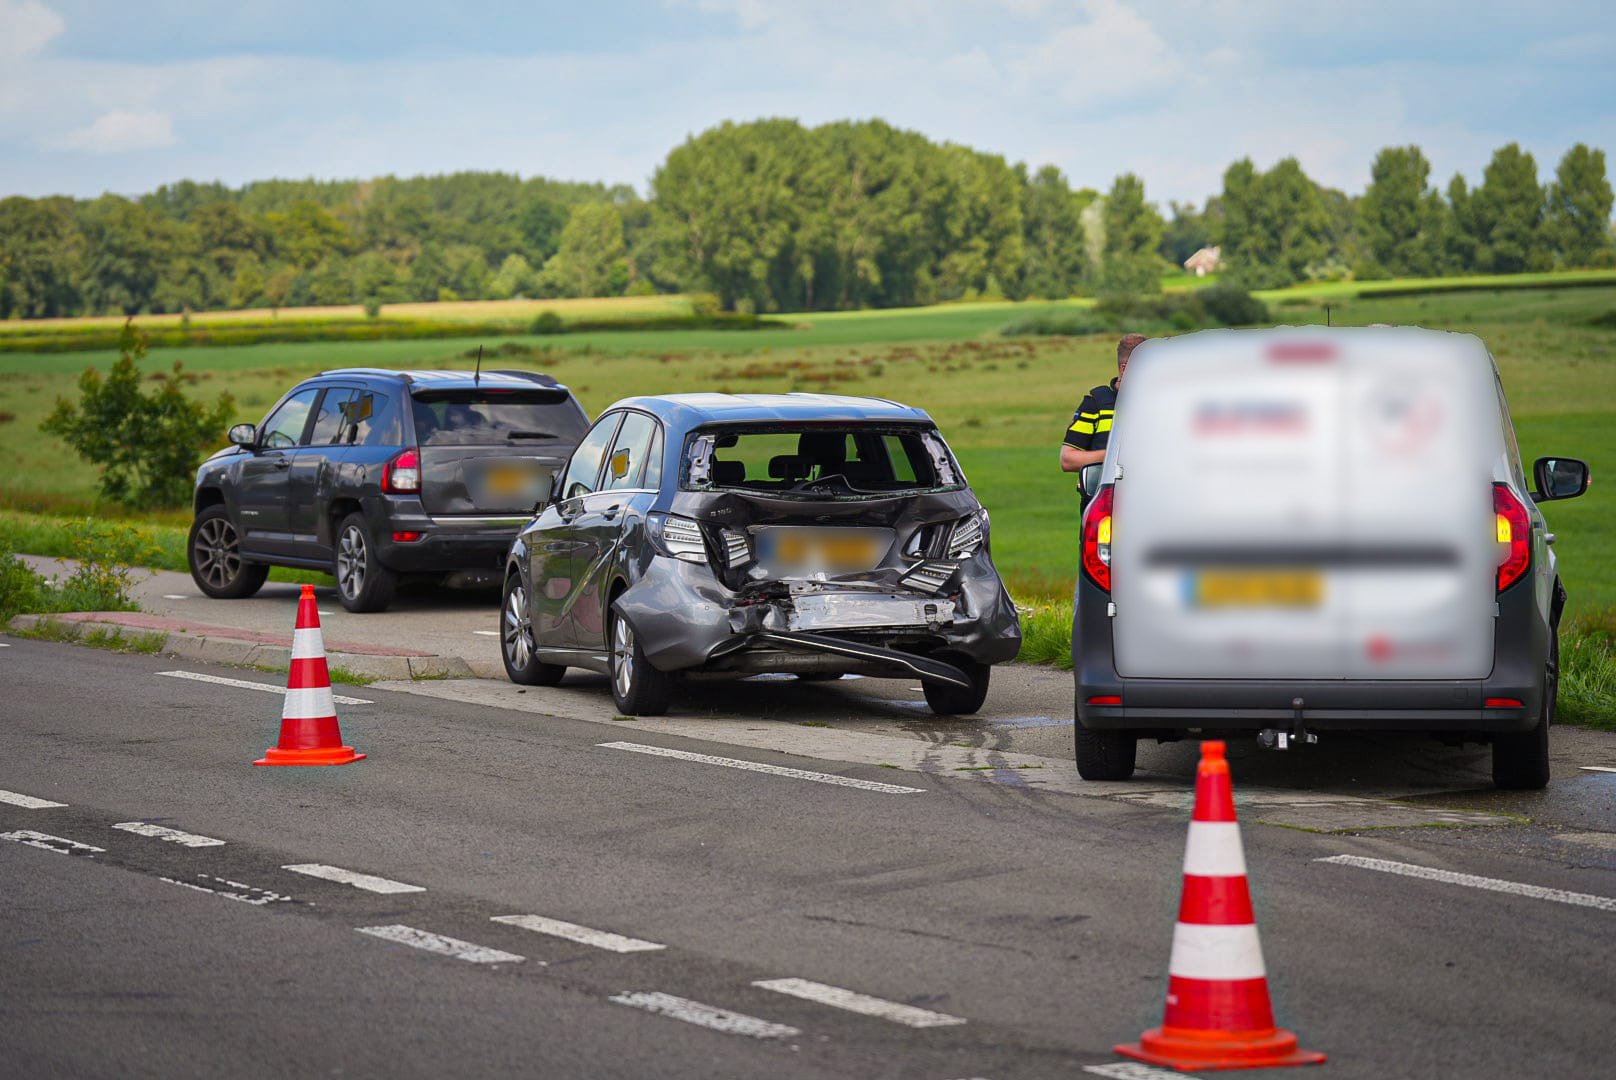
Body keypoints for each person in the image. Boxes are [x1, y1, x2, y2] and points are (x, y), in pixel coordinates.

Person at [1060, 333, 1146, 478]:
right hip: (1106, 498)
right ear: (1125, 369)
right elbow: (1067, 460)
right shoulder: (1096, 403)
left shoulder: (1159, 404)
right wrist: (1114, 455)